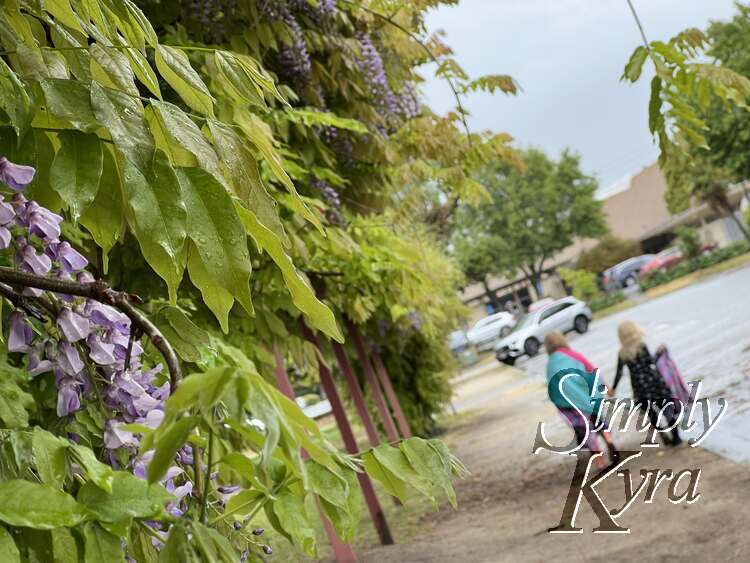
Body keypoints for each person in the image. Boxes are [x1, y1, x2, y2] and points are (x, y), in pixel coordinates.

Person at [544, 331, 619, 468]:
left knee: (585, 431)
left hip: (569, 403)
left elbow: (552, 386)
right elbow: (591, 369)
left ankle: (599, 462)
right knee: (598, 421)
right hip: (586, 397)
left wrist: (560, 403)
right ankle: (609, 440)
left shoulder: (550, 364)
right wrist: (606, 388)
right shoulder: (572, 354)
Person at [613, 321, 682, 446]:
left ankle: (663, 435)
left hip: (640, 388)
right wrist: (659, 352)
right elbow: (651, 362)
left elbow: (619, 373)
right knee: (667, 410)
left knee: (652, 414)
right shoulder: (641, 346)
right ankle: (676, 438)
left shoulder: (622, 353)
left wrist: (613, 388)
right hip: (654, 383)